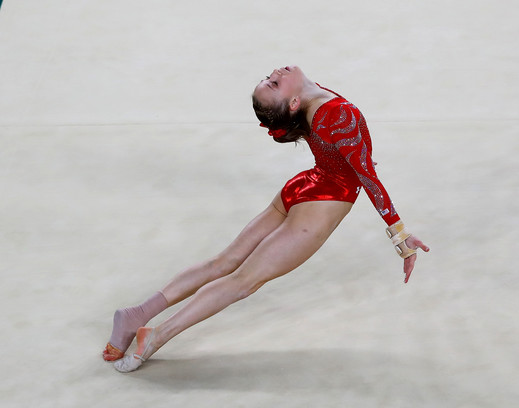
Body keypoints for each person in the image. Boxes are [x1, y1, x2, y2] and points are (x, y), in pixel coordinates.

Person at [105, 65, 430, 372]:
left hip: (304, 185)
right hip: (323, 202)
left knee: (223, 262)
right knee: (243, 281)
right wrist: (400, 236)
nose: (276, 73)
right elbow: (367, 177)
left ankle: (137, 314)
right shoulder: (336, 113)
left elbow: (341, 149)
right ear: (294, 102)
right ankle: (156, 336)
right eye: (273, 83)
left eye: (269, 78)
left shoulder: (311, 95)